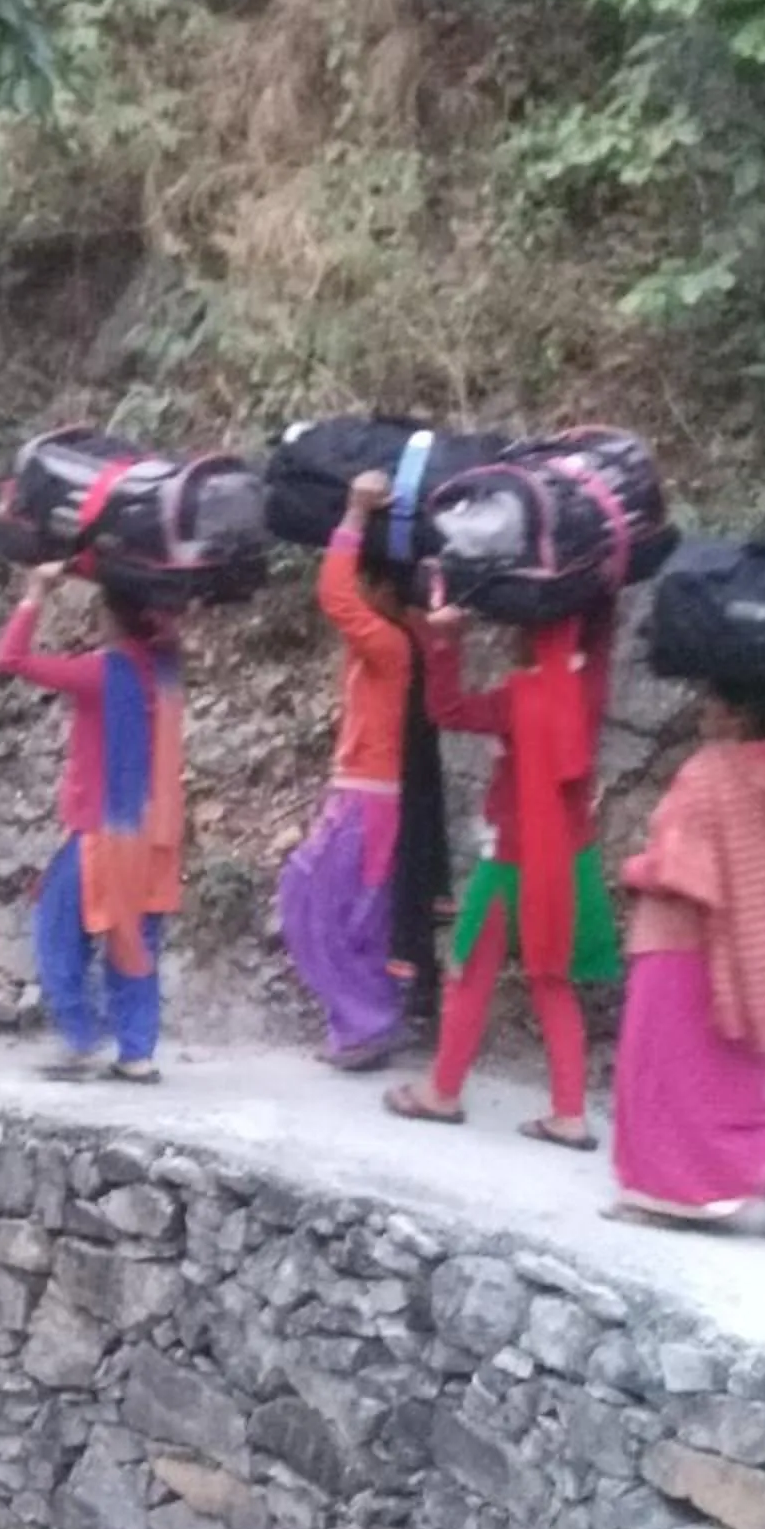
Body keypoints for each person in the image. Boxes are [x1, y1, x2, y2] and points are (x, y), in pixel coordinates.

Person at [386, 604, 621, 1145]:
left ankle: (441, 1091)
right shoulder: (588, 688)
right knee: (552, 981)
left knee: (467, 973)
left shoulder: (515, 699)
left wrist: (443, 637)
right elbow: (602, 627)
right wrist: (604, 591)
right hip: (571, 861)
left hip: (512, 861)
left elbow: (444, 708)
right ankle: (570, 1113)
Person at [610, 681, 765, 1228]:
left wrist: (634, 868)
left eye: (713, 698)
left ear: (737, 710)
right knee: (724, 1082)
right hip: (745, 949)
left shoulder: (710, 773)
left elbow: (680, 870)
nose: (703, 708)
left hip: (678, 941)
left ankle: (669, 1196)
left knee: (665, 1076)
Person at [0, 565, 187, 1083]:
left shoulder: (101, 673)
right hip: (158, 833)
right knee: (136, 939)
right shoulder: (166, 666)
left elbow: (8, 657)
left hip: (103, 831)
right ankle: (137, 1053)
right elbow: (169, 623)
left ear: (112, 616)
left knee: (57, 930)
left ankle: (80, 1038)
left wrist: (36, 591)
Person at [278, 471, 415, 1070]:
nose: (360, 593)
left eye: (369, 585)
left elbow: (334, 596)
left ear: (384, 592)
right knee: (349, 911)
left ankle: (367, 1022)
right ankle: (363, 1023)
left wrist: (354, 517)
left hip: (366, 799)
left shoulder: (388, 644)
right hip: (367, 797)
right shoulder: (390, 645)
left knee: (313, 899)